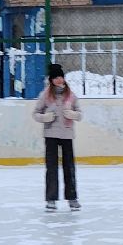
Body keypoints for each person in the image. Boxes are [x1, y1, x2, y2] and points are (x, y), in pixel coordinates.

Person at [32, 63, 83, 211]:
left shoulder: (71, 95)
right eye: (55, 78)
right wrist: (45, 117)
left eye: (61, 77)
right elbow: (35, 113)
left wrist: (73, 115)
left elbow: (80, 114)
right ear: (51, 80)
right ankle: (51, 199)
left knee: (69, 167)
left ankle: (72, 198)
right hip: (51, 135)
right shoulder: (45, 95)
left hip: (67, 135)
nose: (59, 80)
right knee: (52, 168)